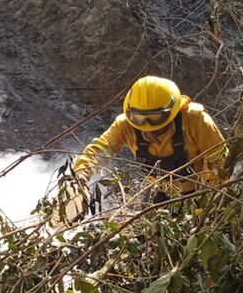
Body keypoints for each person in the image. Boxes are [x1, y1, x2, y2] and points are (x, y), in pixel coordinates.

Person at [60, 76, 227, 219]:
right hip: (161, 194)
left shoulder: (194, 119)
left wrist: (215, 201)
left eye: (155, 120)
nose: (148, 128)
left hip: (200, 194)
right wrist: (78, 179)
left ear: (173, 111)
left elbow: (221, 162)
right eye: (140, 120)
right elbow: (99, 151)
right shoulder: (125, 125)